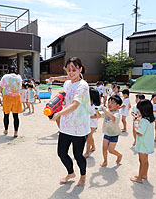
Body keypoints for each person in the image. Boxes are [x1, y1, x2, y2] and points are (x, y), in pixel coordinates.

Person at [50, 57, 91, 187]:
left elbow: (75, 104)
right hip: (66, 125)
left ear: (80, 69)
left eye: (74, 69)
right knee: (61, 153)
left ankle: (83, 176)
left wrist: (58, 114)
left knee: (78, 155)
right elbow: (66, 79)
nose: (71, 72)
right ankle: (71, 173)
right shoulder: (68, 82)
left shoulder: (83, 85)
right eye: (69, 70)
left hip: (79, 126)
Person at [130, 99, 155, 183]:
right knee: (145, 161)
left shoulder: (144, 121)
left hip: (143, 144)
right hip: (148, 144)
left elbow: (139, 133)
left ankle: (139, 178)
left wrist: (135, 127)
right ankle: (144, 174)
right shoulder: (150, 119)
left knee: (142, 161)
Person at [0, 65, 22, 137]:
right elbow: (19, 87)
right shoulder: (19, 77)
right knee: (15, 116)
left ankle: (6, 130)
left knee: (6, 115)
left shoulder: (5, 76)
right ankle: (16, 132)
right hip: (16, 97)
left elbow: (0, 87)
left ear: (8, 70)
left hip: (7, 97)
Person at [99, 95, 123, 167]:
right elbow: (99, 116)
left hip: (114, 134)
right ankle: (105, 161)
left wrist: (105, 111)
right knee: (104, 148)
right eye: (109, 102)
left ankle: (119, 155)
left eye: (112, 103)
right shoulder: (108, 111)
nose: (109, 104)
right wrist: (97, 111)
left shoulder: (117, 113)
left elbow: (114, 119)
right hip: (106, 133)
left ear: (118, 106)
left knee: (111, 150)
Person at [83, 87, 101, 158]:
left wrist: (87, 117)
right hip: (87, 123)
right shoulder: (87, 104)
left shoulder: (95, 106)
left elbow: (97, 116)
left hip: (92, 124)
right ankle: (93, 147)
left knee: (88, 137)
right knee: (90, 136)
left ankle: (87, 152)